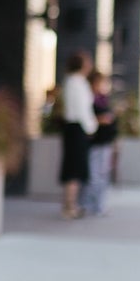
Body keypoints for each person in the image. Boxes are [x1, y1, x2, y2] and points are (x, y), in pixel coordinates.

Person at [60, 50, 96, 218]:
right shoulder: (76, 82)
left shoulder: (73, 82)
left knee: (74, 167)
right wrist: (91, 128)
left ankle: (70, 205)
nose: (90, 65)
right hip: (77, 128)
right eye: (87, 62)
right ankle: (70, 207)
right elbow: (82, 110)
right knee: (74, 168)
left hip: (75, 128)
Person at [82, 67, 116, 215]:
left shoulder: (103, 100)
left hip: (106, 142)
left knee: (104, 174)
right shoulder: (88, 99)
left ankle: (100, 205)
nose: (102, 86)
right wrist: (99, 120)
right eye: (100, 82)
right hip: (94, 142)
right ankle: (89, 204)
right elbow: (87, 119)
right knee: (93, 174)